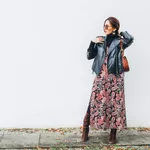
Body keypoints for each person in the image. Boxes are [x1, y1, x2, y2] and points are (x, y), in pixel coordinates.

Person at [81, 17, 134, 144]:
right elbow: (89, 56)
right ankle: (85, 129)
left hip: (115, 77)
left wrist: (120, 33)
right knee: (94, 102)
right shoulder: (99, 40)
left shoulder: (120, 41)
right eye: (104, 26)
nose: (104, 28)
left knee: (115, 105)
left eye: (108, 26)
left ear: (114, 28)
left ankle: (113, 134)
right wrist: (92, 42)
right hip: (100, 76)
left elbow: (130, 39)